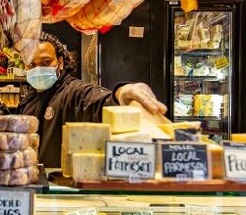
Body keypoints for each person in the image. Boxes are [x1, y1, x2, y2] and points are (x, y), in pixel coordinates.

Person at [17, 32, 167, 168]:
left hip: (62, 188)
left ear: (60, 62)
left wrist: (121, 93)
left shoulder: (74, 92)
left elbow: (99, 101)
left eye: (45, 62)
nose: (38, 69)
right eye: (32, 64)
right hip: (34, 183)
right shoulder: (30, 98)